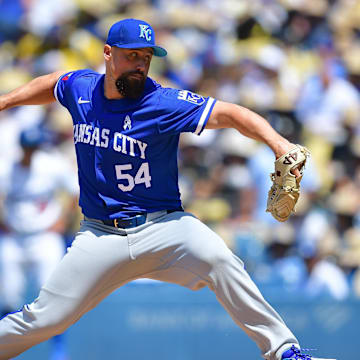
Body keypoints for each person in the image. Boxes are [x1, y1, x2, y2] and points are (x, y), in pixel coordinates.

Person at [0, 18, 335, 360]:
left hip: (165, 228)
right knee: (44, 319)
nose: (140, 64)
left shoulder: (162, 102)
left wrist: (278, 144)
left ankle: (285, 352)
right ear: (107, 53)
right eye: (132, 56)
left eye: (146, 56)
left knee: (220, 259)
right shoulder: (81, 89)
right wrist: (6, 101)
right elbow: (56, 82)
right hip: (100, 235)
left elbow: (230, 114)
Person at [0, 125, 79, 360]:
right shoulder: (7, 167)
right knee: (9, 293)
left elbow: (76, 191)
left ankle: (58, 349)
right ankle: (7, 348)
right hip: (14, 236)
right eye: (27, 148)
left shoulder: (50, 164)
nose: (31, 152)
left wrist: (63, 221)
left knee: (51, 294)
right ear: (21, 147)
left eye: (34, 148)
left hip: (45, 236)